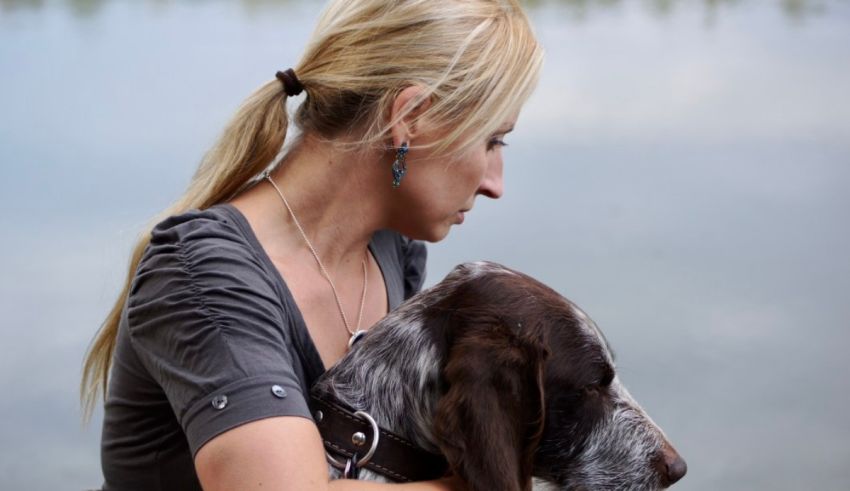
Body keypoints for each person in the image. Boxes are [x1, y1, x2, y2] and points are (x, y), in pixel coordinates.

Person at [81, 0, 543, 489]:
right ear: (410, 117)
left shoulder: (394, 251)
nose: (495, 184)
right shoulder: (204, 275)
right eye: (493, 140)